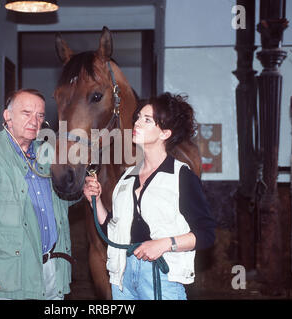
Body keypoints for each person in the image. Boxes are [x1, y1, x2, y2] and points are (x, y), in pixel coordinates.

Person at [83, 92, 216, 300]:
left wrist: (164, 244)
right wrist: (96, 201)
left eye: (147, 120)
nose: (137, 123)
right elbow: (113, 228)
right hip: (122, 278)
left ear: (165, 133)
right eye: (138, 118)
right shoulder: (128, 176)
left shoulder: (181, 176)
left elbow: (206, 234)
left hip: (162, 278)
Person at [0, 89, 75, 300]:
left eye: (40, 115)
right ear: (7, 116)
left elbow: (59, 201)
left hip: (49, 272)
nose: (34, 121)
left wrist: (82, 192)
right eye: (26, 113)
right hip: (2, 277)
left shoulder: (47, 154)